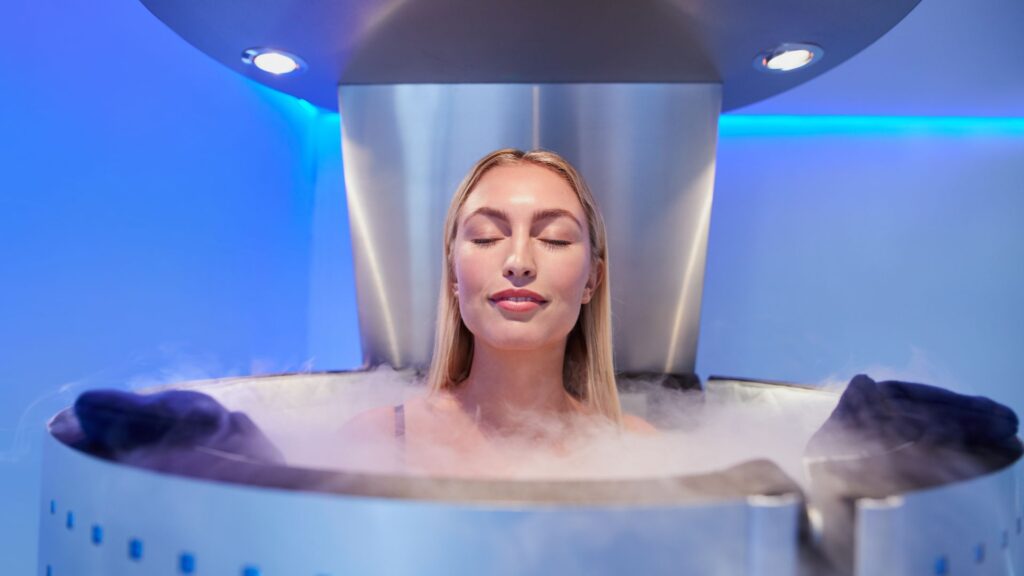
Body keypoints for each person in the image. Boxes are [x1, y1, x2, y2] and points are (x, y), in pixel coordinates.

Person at [339, 148, 656, 476]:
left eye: (555, 239)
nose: (518, 262)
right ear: (453, 275)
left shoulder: (638, 451)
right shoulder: (375, 441)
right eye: (485, 237)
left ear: (592, 279)